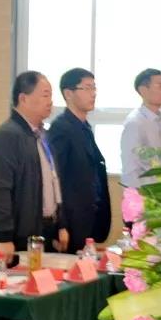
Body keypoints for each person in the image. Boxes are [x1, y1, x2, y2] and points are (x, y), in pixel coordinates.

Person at [0, 72, 67, 261]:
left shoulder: (42, 135)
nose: (50, 101)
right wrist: (3, 237)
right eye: (45, 95)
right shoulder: (6, 136)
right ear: (23, 98)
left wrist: (61, 224)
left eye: (51, 95)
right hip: (16, 238)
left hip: (45, 231)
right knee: (11, 279)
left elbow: (54, 181)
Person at [48, 68, 111, 249]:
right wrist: (60, 226)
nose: (93, 93)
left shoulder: (84, 127)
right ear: (68, 93)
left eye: (94, 88)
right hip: (72, 223)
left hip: (90, 219)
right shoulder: (61, 128)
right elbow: (55, 180)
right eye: (87, 88)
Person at [120, 68, 161, 188]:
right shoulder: (135, 123)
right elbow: (130, 169)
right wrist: (135, 197)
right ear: (143, 90)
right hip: (145, 193)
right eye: (160, 86)